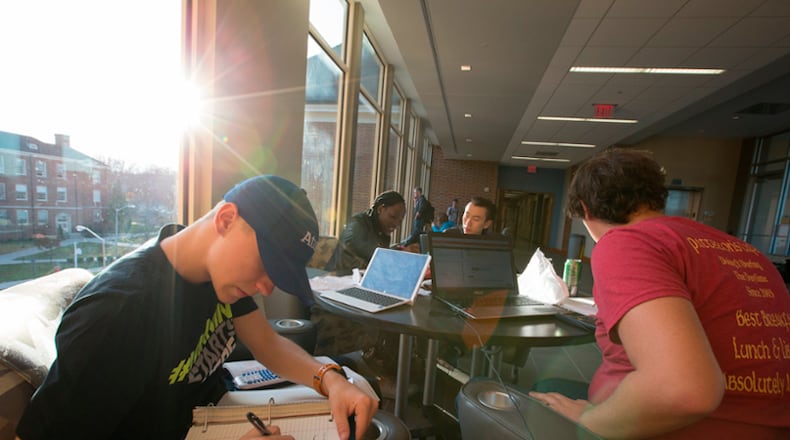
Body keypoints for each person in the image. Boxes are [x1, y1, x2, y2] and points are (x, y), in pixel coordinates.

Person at [16, 175, 377, 440]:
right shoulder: (119, 312)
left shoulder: (214, 273)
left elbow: (266, 342)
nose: (267, 287)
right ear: (225, 220)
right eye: (266, 265)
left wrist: (328, 379)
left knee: (361, 396)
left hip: (215, 414)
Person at [529, 148, 790, 439]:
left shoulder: (625, 243)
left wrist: (590, 421)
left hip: (681, 429)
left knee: (514, 402)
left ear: (585, 209)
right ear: (656, 197)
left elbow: (682, 390)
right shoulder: (744, 251)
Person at [325, 190, 406, 272]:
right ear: (380, 209)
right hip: (336, 277)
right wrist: (393, 255)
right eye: (393, 217)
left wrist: (398, 252)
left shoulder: (384, 234)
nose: (396, 224)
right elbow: (357, 252)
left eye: (400, 221)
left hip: (360, 279)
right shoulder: (357, 224)